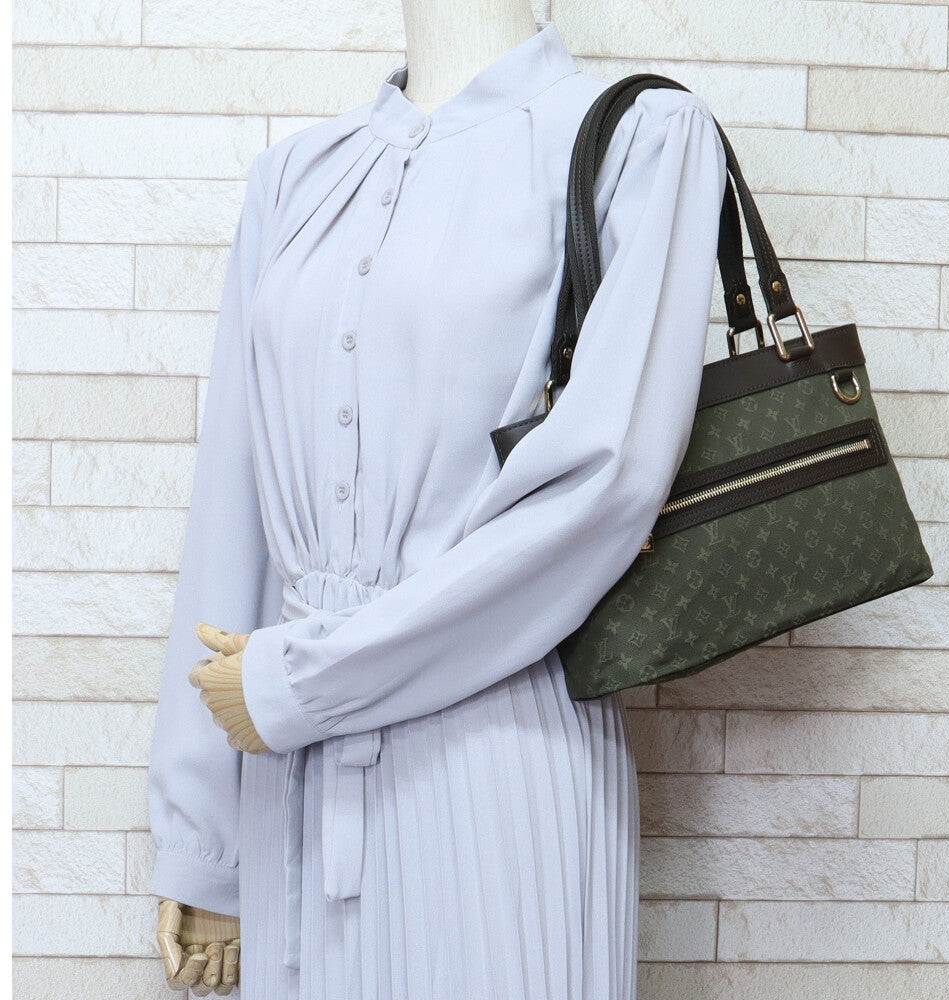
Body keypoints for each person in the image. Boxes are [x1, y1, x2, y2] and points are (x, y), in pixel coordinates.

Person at [147, 14, 727, 999]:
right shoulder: (296, 176)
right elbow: (233, 503)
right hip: (286, 765)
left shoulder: (639, 135)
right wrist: (204, 843)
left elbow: (606, 484)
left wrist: (308, 683)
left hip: (497, 758)